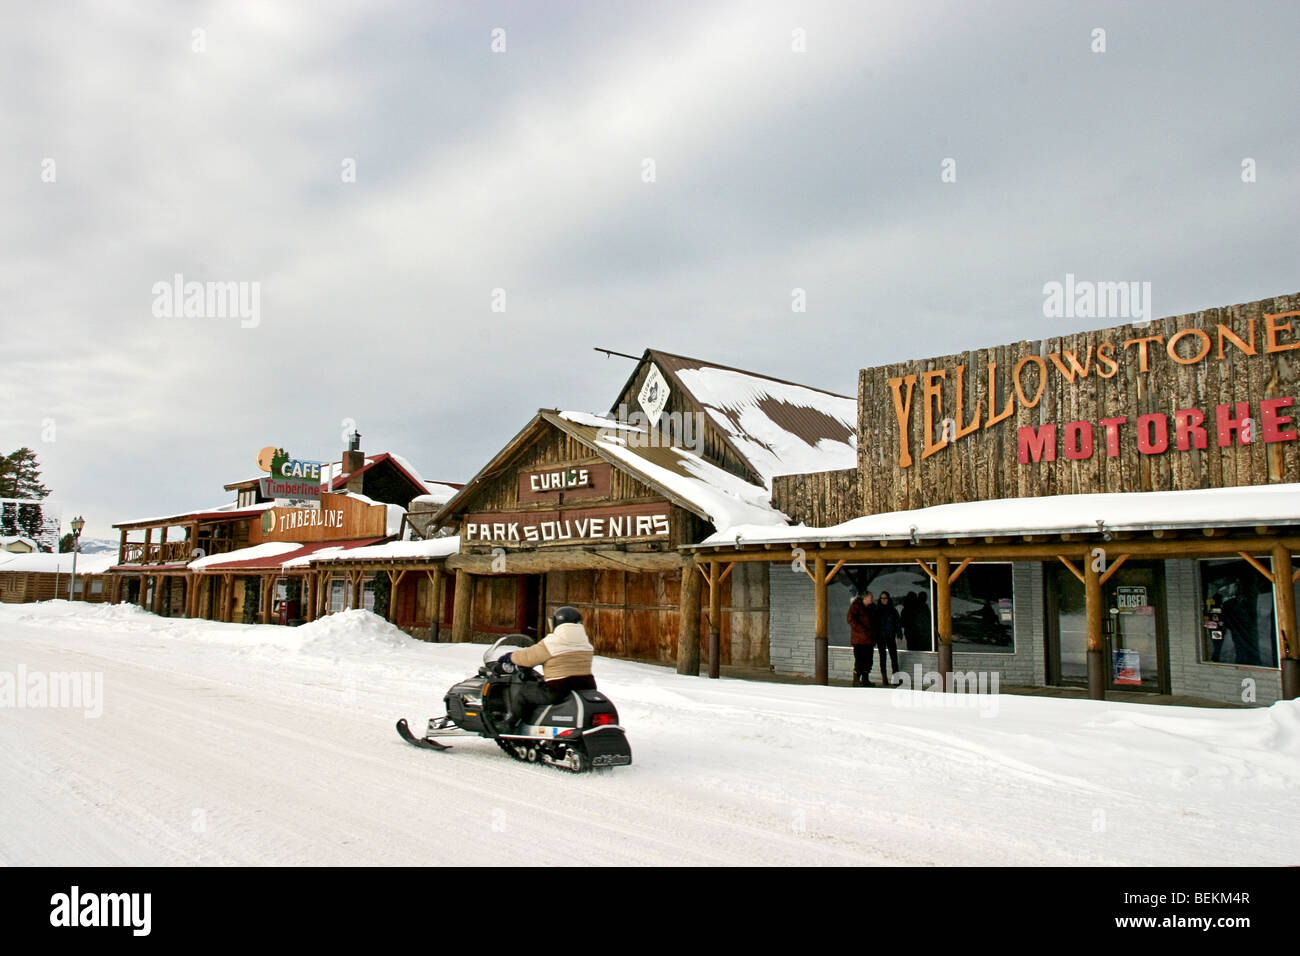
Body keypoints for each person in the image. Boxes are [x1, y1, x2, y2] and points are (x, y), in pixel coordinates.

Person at [499, 605, 597, 726]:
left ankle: (511, 725)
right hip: (586, 686)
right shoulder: (585, 643)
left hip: (558, 689)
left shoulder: (553, 642)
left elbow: (529, 657)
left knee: (525, 692)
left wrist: (511, 656)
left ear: (558, 623)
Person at [872, 590, 902, 686]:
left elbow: (898, 624)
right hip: (880, 637)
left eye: (885, 598)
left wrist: (899, 635)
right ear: (880, 599)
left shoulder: (893, 611)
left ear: (888, 599)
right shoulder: (877, 611)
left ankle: (895, 678)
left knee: (894, 657)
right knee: (882, 658)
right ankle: (884, 678)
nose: (884, 600)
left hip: (890, 636)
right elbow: (874, 625)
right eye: (882, 598)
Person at [847, 591, 875, 686]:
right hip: (859, 639)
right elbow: (851, 619)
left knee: (868, 660)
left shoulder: (871, 607)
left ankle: (865, 679)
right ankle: (856, 680)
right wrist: (863, 630)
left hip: (869, 639)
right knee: (860, 660)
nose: (872, 600)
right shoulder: (856, 606)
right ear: (865, 598)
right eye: (870, 598)